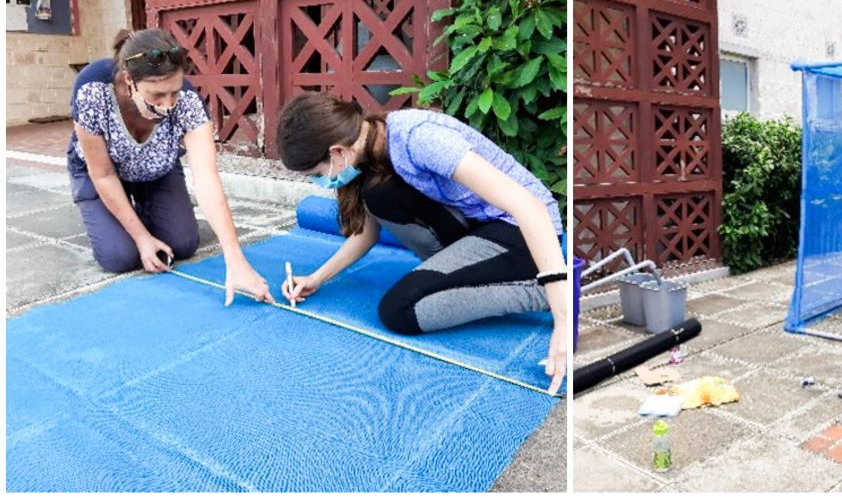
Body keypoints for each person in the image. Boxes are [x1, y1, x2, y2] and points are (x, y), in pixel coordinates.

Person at [276, 93, 567, 394]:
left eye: (317, 174)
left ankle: (539, 294)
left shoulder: (420, 139)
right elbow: (366, 233)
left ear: (336, 152)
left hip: (520, 231)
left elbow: (530, 208)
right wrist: (316, 278)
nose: (320, 182)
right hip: (476, 226)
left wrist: (561, 316)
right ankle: (452, 276)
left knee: (399, 310)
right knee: (380, 195)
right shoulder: (370, 149)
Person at [69, 28, 274, 305]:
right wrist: (141, 238)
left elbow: (207, 178)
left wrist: (235, 259)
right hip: (104, 173)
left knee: (183, 244)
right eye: (157, 95)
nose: (168, 105)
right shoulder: (92, 88)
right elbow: (102, 174)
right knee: (119, 257)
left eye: (174, 93)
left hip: (156, 170)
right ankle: (126, 219)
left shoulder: (187, 101)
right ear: (130, 80)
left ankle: (143, 206)